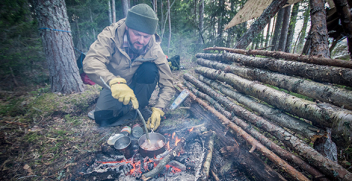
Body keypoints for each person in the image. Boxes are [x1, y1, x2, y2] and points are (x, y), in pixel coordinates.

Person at [83, 4, 174, 130]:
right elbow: (91, 61)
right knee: (102, 118)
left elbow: (168, 82)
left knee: (149, 69)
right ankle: (126, 107)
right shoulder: (110, 35)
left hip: (139, 82)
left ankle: (141, 106)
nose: (141, 41)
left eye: (146, 36)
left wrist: (159, 108)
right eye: (137, 34)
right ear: (127, 27)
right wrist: (113, 82)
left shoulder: (154, 47)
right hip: (116, 84)